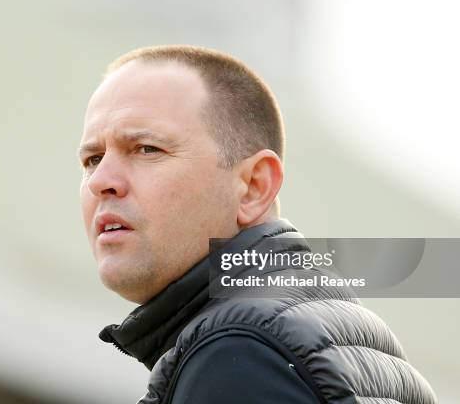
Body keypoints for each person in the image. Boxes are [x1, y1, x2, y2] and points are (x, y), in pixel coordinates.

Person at [78, 45, 436, 403]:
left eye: (146, 149)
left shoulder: (239, 351)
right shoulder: (295, 332)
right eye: (93, 158)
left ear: (253, 187)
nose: (100, 181)